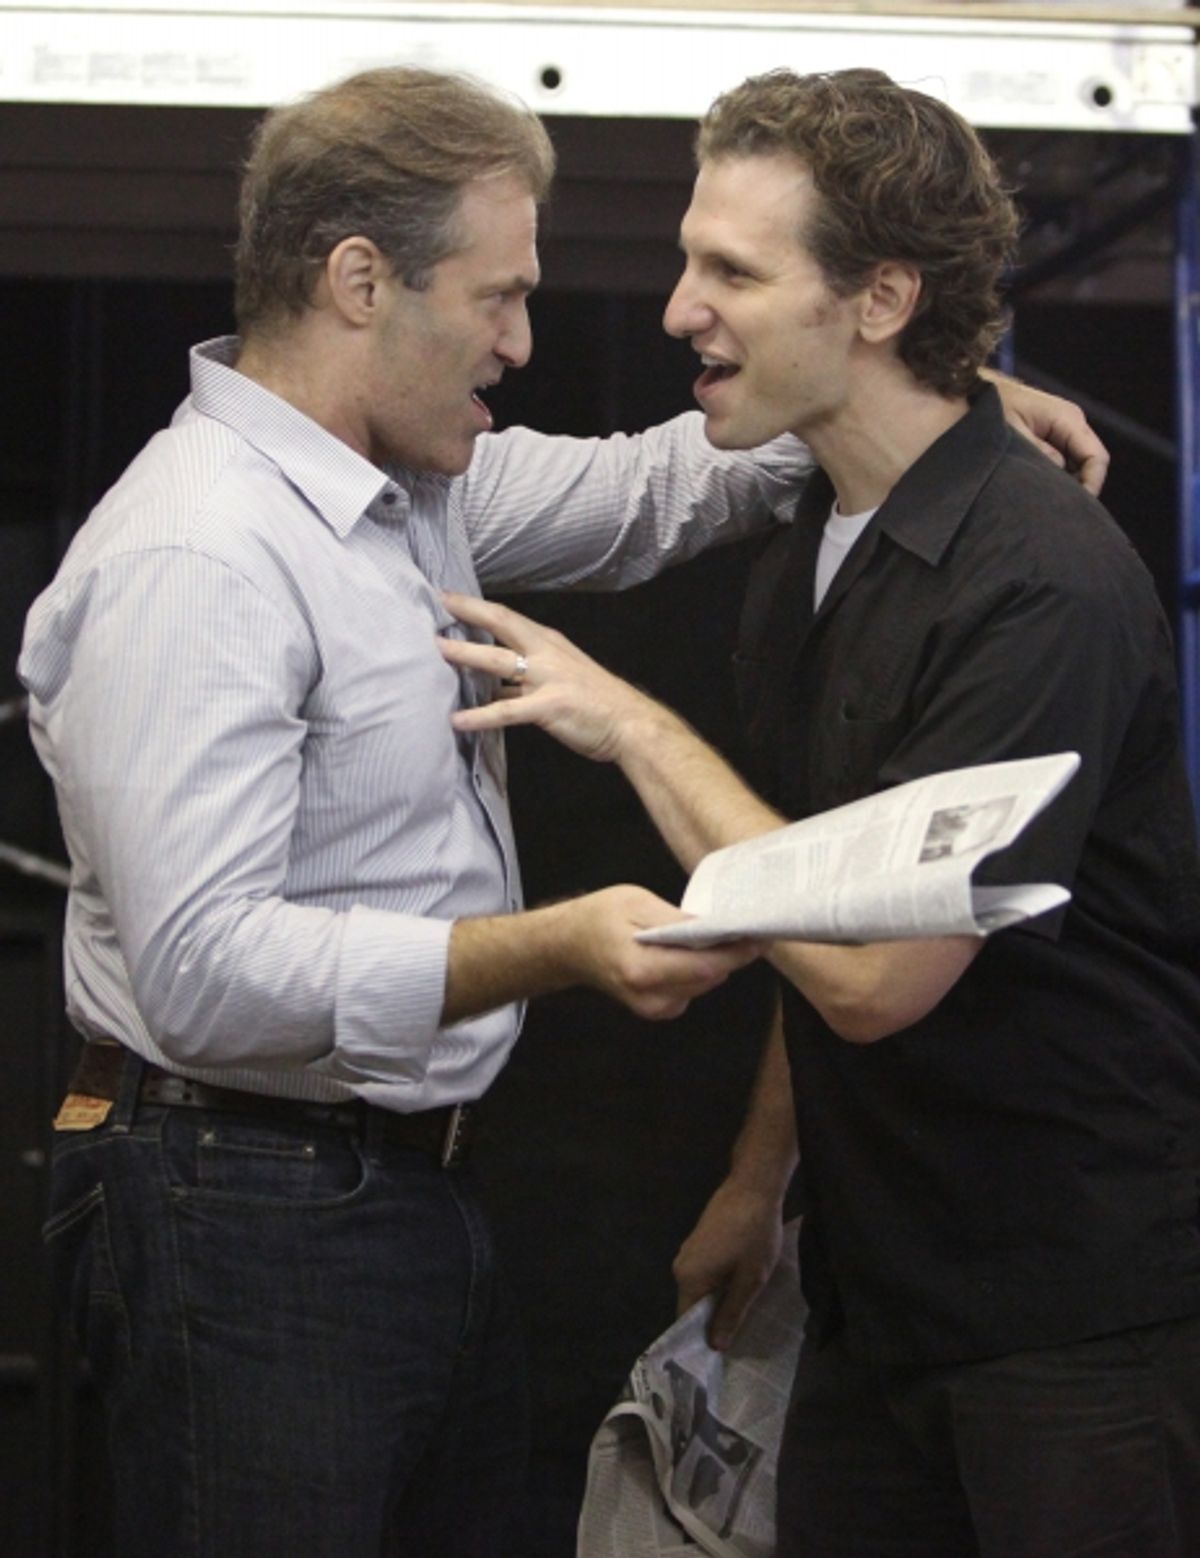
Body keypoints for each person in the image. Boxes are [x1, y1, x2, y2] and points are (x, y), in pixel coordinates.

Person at [20, 63, 1104, 1558]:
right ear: (357, 282)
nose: (526, 342)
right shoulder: (200, 552)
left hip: (385, 1191)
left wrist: (927, 387)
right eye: (499, 296)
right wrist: (550, 945)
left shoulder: (409, 488)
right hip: (237, 1203)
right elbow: (206, 974)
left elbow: (665, 488)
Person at [441, 67, 1200, 1557]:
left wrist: (632, 724)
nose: (677, 310)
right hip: (874, 1298)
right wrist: (755, 1178)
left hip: (1074, 1321)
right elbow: (817, 909)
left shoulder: (1039, 577)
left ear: (878, 299)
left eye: (732, 269)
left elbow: (866, 967)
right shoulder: (805, 549)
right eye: (686, 260)